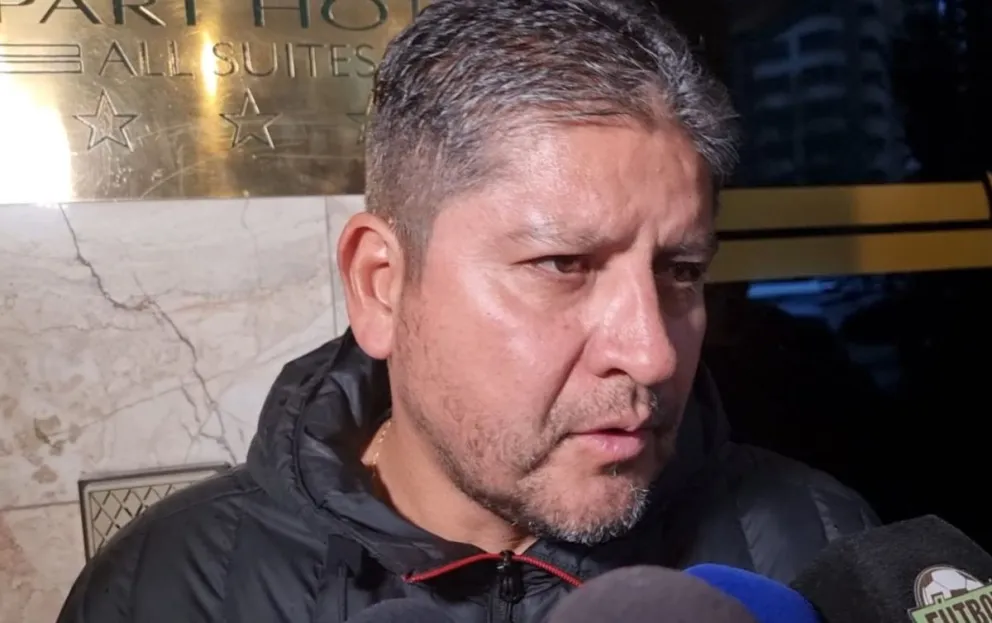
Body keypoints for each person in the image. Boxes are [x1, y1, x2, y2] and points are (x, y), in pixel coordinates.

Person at [56, 1, 879, 622]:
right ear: (382, 284)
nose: (652, 353)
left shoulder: (822, 545)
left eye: (681, 270)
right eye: (562, 264)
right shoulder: (159, 590)